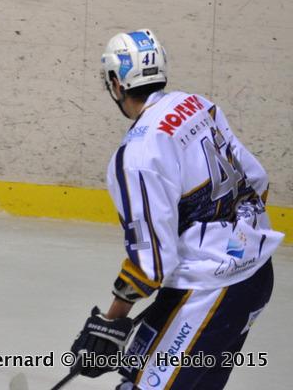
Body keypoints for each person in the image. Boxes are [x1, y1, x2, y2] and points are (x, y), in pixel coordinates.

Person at [67, 29, 283, 389]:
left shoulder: (137, 155)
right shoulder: (196, 104)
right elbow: (256, 180)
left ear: (116, 83)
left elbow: (151, 261)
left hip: (211, 291)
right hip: (256, 275)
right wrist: (234, 247)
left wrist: (111, 322)